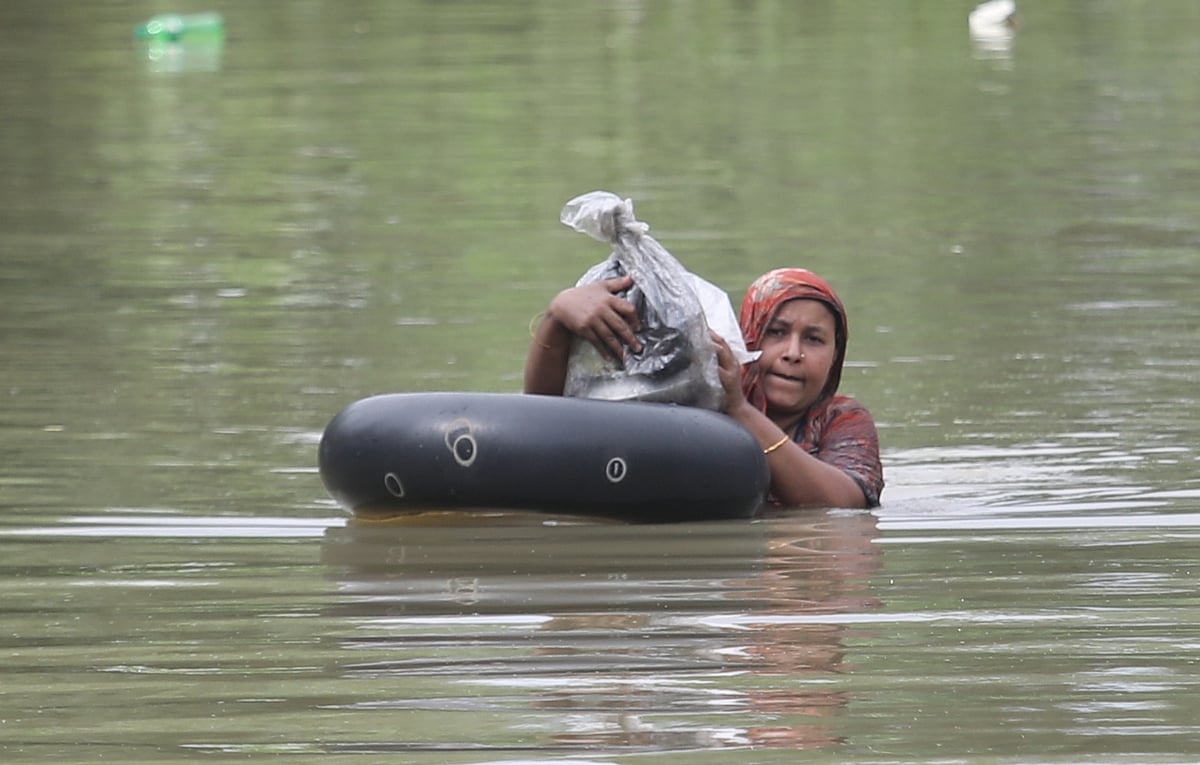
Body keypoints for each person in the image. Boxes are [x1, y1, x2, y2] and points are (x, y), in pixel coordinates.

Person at [524, 268, 883, 509]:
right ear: (747, 339)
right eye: (776, 332)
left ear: (836, 357)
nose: (793, 353)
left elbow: (846, 505)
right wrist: (557, 319)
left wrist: (740, 410)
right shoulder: (698, 403)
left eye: (814, 339)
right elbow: (545, 424)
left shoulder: (842, 419)